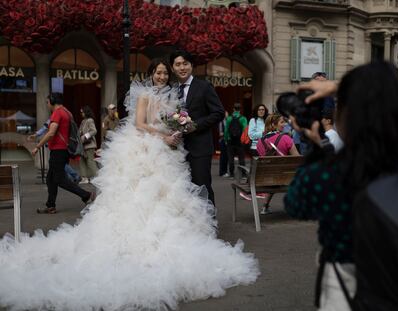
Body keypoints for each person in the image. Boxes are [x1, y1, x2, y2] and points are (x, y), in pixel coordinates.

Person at [0, 58, 259, 311]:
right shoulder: (145, 95)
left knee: (167, 193)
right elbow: (140, 124)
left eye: (164, 73)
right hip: (147, 146)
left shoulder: (171, 96)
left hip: (167, 150)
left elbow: (177, 119)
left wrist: (178, 126)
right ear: (150, 74)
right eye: (158, 73)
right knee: (139, 191)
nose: (162, 77)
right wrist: (164, 135)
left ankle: (174, 235)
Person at [284, 61, 398, 311]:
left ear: (345, 114)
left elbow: (296, 205)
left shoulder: (328, 174)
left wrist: (315, 149)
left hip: (344, 280)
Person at [170, 50, 225, 206]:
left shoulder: (204, 86)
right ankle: (191, 227)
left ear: (192, 66)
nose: (182, 68)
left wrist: (196, 126)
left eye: (185, 64)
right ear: (172, 68)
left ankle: (209, 227)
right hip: (177, 150)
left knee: (202, 188)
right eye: (178, 64)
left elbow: (219, 112)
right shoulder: (172, 90)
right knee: (182, 190)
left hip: (200, 148)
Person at [30, 93, 95, 214]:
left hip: (58, 151)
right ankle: (50, 206)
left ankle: (86, 195)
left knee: (59, 179)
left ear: (53, 101)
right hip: (63, 150)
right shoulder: (67, 112)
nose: (47, 104)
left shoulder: (57, 113)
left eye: (47, 102)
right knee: (50, 179)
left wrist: (37, 147)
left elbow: (51, 133)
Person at [256, 114, 299, 214]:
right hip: (284, 177)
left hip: (266, 179)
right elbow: (297, 159)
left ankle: (265, 207)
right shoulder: (286, 138)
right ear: (273, 125)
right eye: (281, 122)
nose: (284, 124)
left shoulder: (259, 142)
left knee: (274, 174)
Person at [28, 119, 81, 183]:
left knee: (60, 163)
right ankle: (70, 178)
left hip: (58, 145)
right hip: (62, 144)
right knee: (60, 163)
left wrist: (36, 135)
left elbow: (44, 129)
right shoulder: (63, 118)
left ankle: (74, 176)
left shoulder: (55, 118)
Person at [224, 103, 247, 179]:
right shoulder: (243, 118)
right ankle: (243, 175)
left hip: (231, 141)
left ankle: (231, 174)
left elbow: (226, 130)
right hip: (239, 141)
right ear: (240, 109)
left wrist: (226, 139)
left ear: (233, 109)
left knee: (231, 158)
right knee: (241, 158)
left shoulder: (229, 118)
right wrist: (244, 140)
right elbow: (245, 130)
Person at [78, 105, 99, 184]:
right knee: (82, 161)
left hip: (89, 145)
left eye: (82, 112)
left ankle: (97, 177)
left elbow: (94, 131)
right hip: (83, 145)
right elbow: (80, 130)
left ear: (86, 112)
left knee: (90, 161)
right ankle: (84, 178)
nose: (81, 114)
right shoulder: (83, 121)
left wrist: (84, 136)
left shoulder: (90, 120)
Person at [218, 110, 229, 177]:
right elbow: (220, 133)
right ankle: (222, 172)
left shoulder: (228, 121)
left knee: (226, 157)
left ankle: (225, 171)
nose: (227, 115)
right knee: (223, 157)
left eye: (227, 114)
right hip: (222, 141)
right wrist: (226, 134)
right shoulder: (221, 122)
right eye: (226, 114)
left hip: (227, 141)